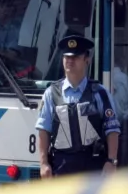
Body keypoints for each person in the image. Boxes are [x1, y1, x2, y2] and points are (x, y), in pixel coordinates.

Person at [34, 35, 120, 178]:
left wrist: (111, 161)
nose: (69, 60)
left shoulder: (100, 93)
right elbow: (44, 130)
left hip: (93, 166)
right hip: (61, 166)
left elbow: (112, 129)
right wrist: (43, 164)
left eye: (75, 57)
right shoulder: (51, 93)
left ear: (87, 59)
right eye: (66, 57)